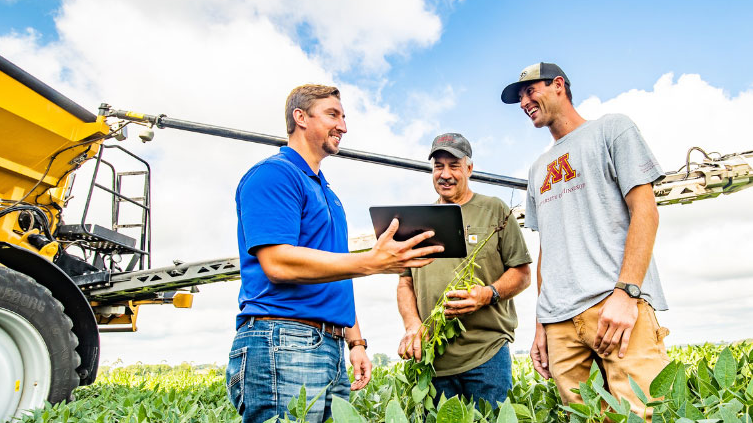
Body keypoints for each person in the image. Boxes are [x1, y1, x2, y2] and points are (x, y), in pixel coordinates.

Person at [226, 84, 444, 423]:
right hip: (284, 340)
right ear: (300, 117)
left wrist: (355, 342)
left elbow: (336, 274)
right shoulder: (274, 175)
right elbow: (277, 263)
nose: (343, 126)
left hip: (329, 344)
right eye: (333, 115)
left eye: (344, 117)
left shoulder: (328, 193)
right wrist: (371, 262)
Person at [500, 63, 671, 415]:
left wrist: (627, 293)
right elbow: (548, 248)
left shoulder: (612, 129)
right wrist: (541, 324)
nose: (524, 102)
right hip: (560, 323)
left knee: (641, 415)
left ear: (558, 85)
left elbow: (645, 210)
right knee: (585, 419)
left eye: (530, 91)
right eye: (520, 98)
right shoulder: (537, 168)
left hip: (615, 305)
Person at [396, 132, 532, 407]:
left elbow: (522, 273)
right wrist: (412, 325)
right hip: (434, 359)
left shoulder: (494, 210)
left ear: (469, 169)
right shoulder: (416, 221)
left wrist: (487, 294)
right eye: (438, 166)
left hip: (486, 354)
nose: (445, 174)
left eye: (454, 166)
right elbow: (405, 283)